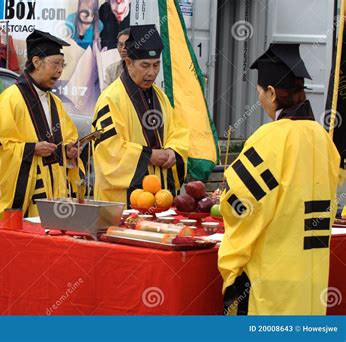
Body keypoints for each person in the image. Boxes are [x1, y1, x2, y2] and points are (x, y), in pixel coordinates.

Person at [218, 43, 340, 315]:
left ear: (271, 93)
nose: (260, 99)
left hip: (272, 276)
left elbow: (241, 205)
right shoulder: (322, 138)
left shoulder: (271, 137)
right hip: (313, 273)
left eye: (260, 93)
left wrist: (232, 266)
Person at [0, 30, 84, 218]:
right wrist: (32, 148)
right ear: (36, 62)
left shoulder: (55, 103)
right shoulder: (10, 99)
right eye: (55, 64)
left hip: (56, 193)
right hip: (29, 192)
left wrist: (69, 151)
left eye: (62, 65)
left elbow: (69, 138)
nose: (59, 70)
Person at [92, 25, 189, 206]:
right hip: (122, 202)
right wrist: (148, 156)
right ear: (128, 62)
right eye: (145, 65)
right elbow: (108, 150)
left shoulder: (161, 96)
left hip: (160, 196)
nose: (152, 72)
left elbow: (179, 131)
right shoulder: (110, 99)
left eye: (156, 65)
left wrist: (172, 151)